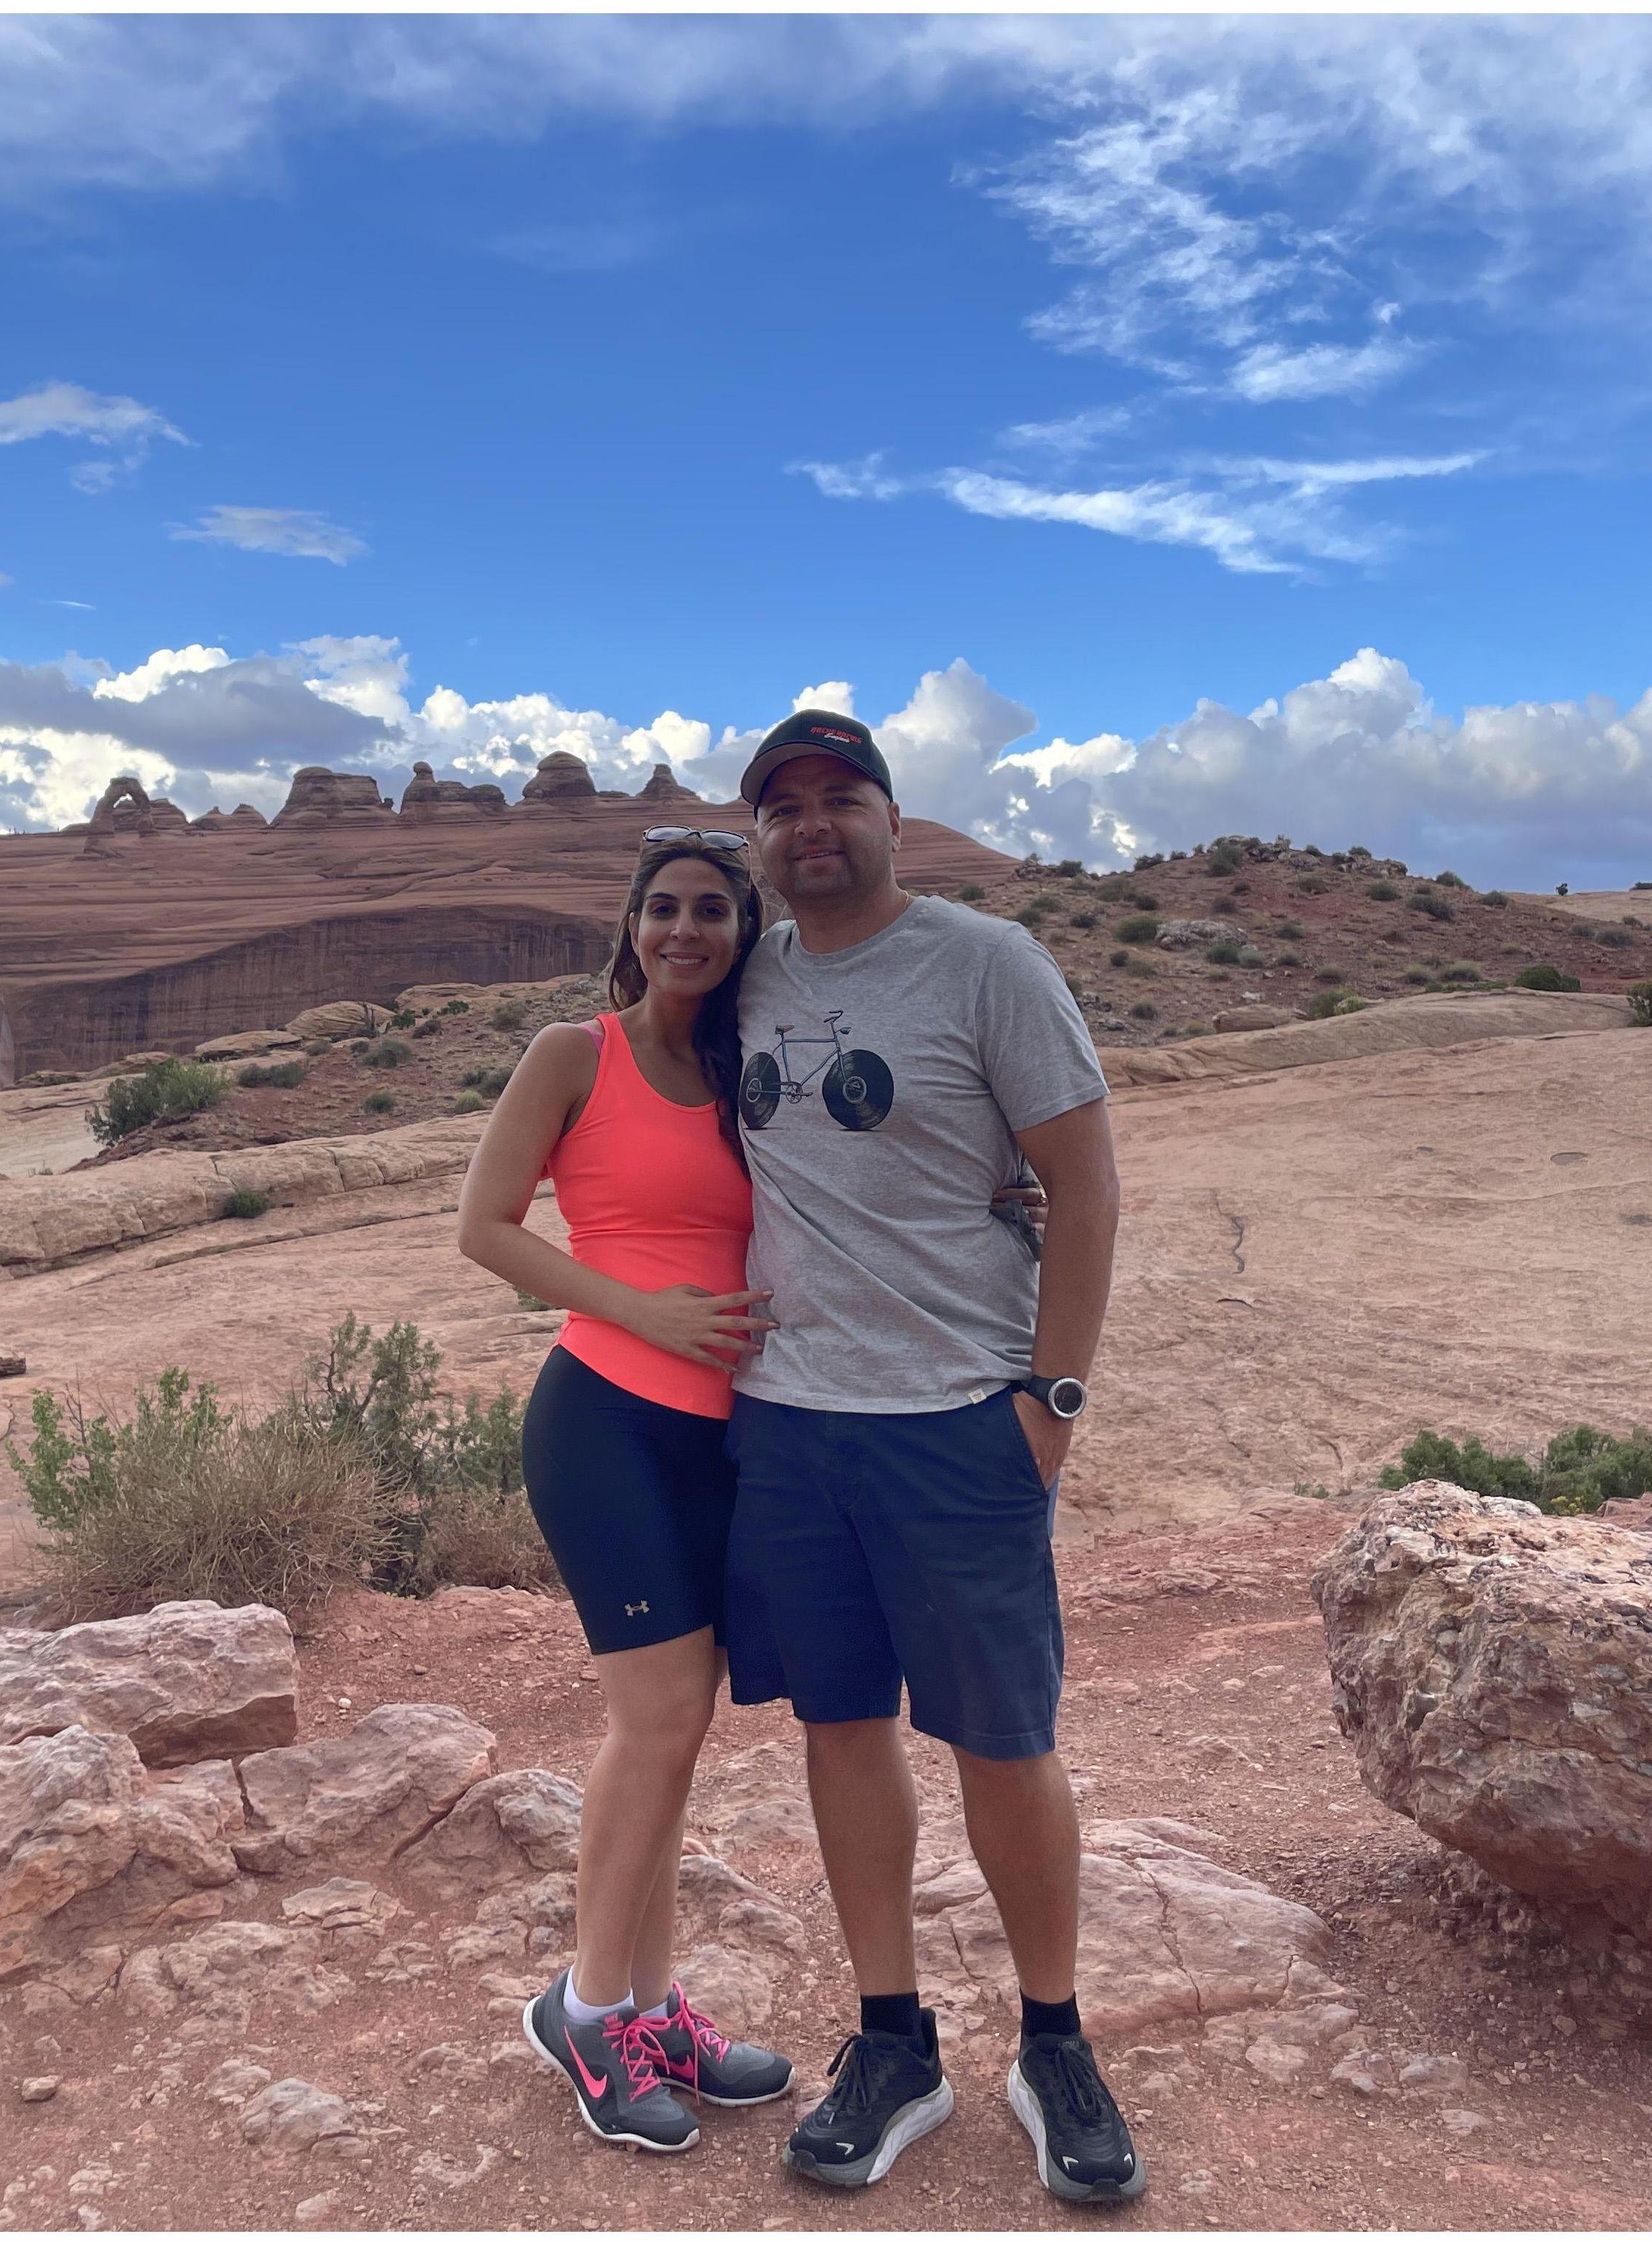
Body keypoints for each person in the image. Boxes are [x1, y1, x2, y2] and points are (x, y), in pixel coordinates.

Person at [722, 709, 1145, 2203]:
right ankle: (892, 2040)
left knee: (1004, 1739)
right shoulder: (743, 972)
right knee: (841, 1726)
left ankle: (1055, 2041)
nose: (812, 826)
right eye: (784, 807)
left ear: (893, 819)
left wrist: (1053, 1402)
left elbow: (1084, 1191)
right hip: (788, 1423)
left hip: (960, 1423)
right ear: (755, 834)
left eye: (843, 799)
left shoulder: (988, 965)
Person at [455, 829, 795, 2154]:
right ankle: (589, 2011)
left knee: (680, 1725)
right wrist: (644, 1310)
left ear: (741, 929)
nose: (685, 930)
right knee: (656, 1722)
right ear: (633, 925)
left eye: (712, 910)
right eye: (664, 909)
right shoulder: (572, 1055)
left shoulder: (751, 1074)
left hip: (727, 1437)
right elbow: (485, 1229)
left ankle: (655, 2005)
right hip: (605, 1419)